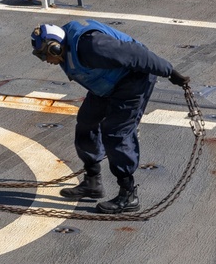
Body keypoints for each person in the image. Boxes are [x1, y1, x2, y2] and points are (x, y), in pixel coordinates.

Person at [30, 20, 190, 214]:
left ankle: (128, 194)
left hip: (134, 79)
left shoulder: (92, 46)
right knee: (86, 123)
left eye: (44, 55)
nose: (45, 60)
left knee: (116, 132)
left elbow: (135, 54)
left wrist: (169, 71)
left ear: (55, 48)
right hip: (106, 83)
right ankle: (92, 182)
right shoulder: (65, 51)